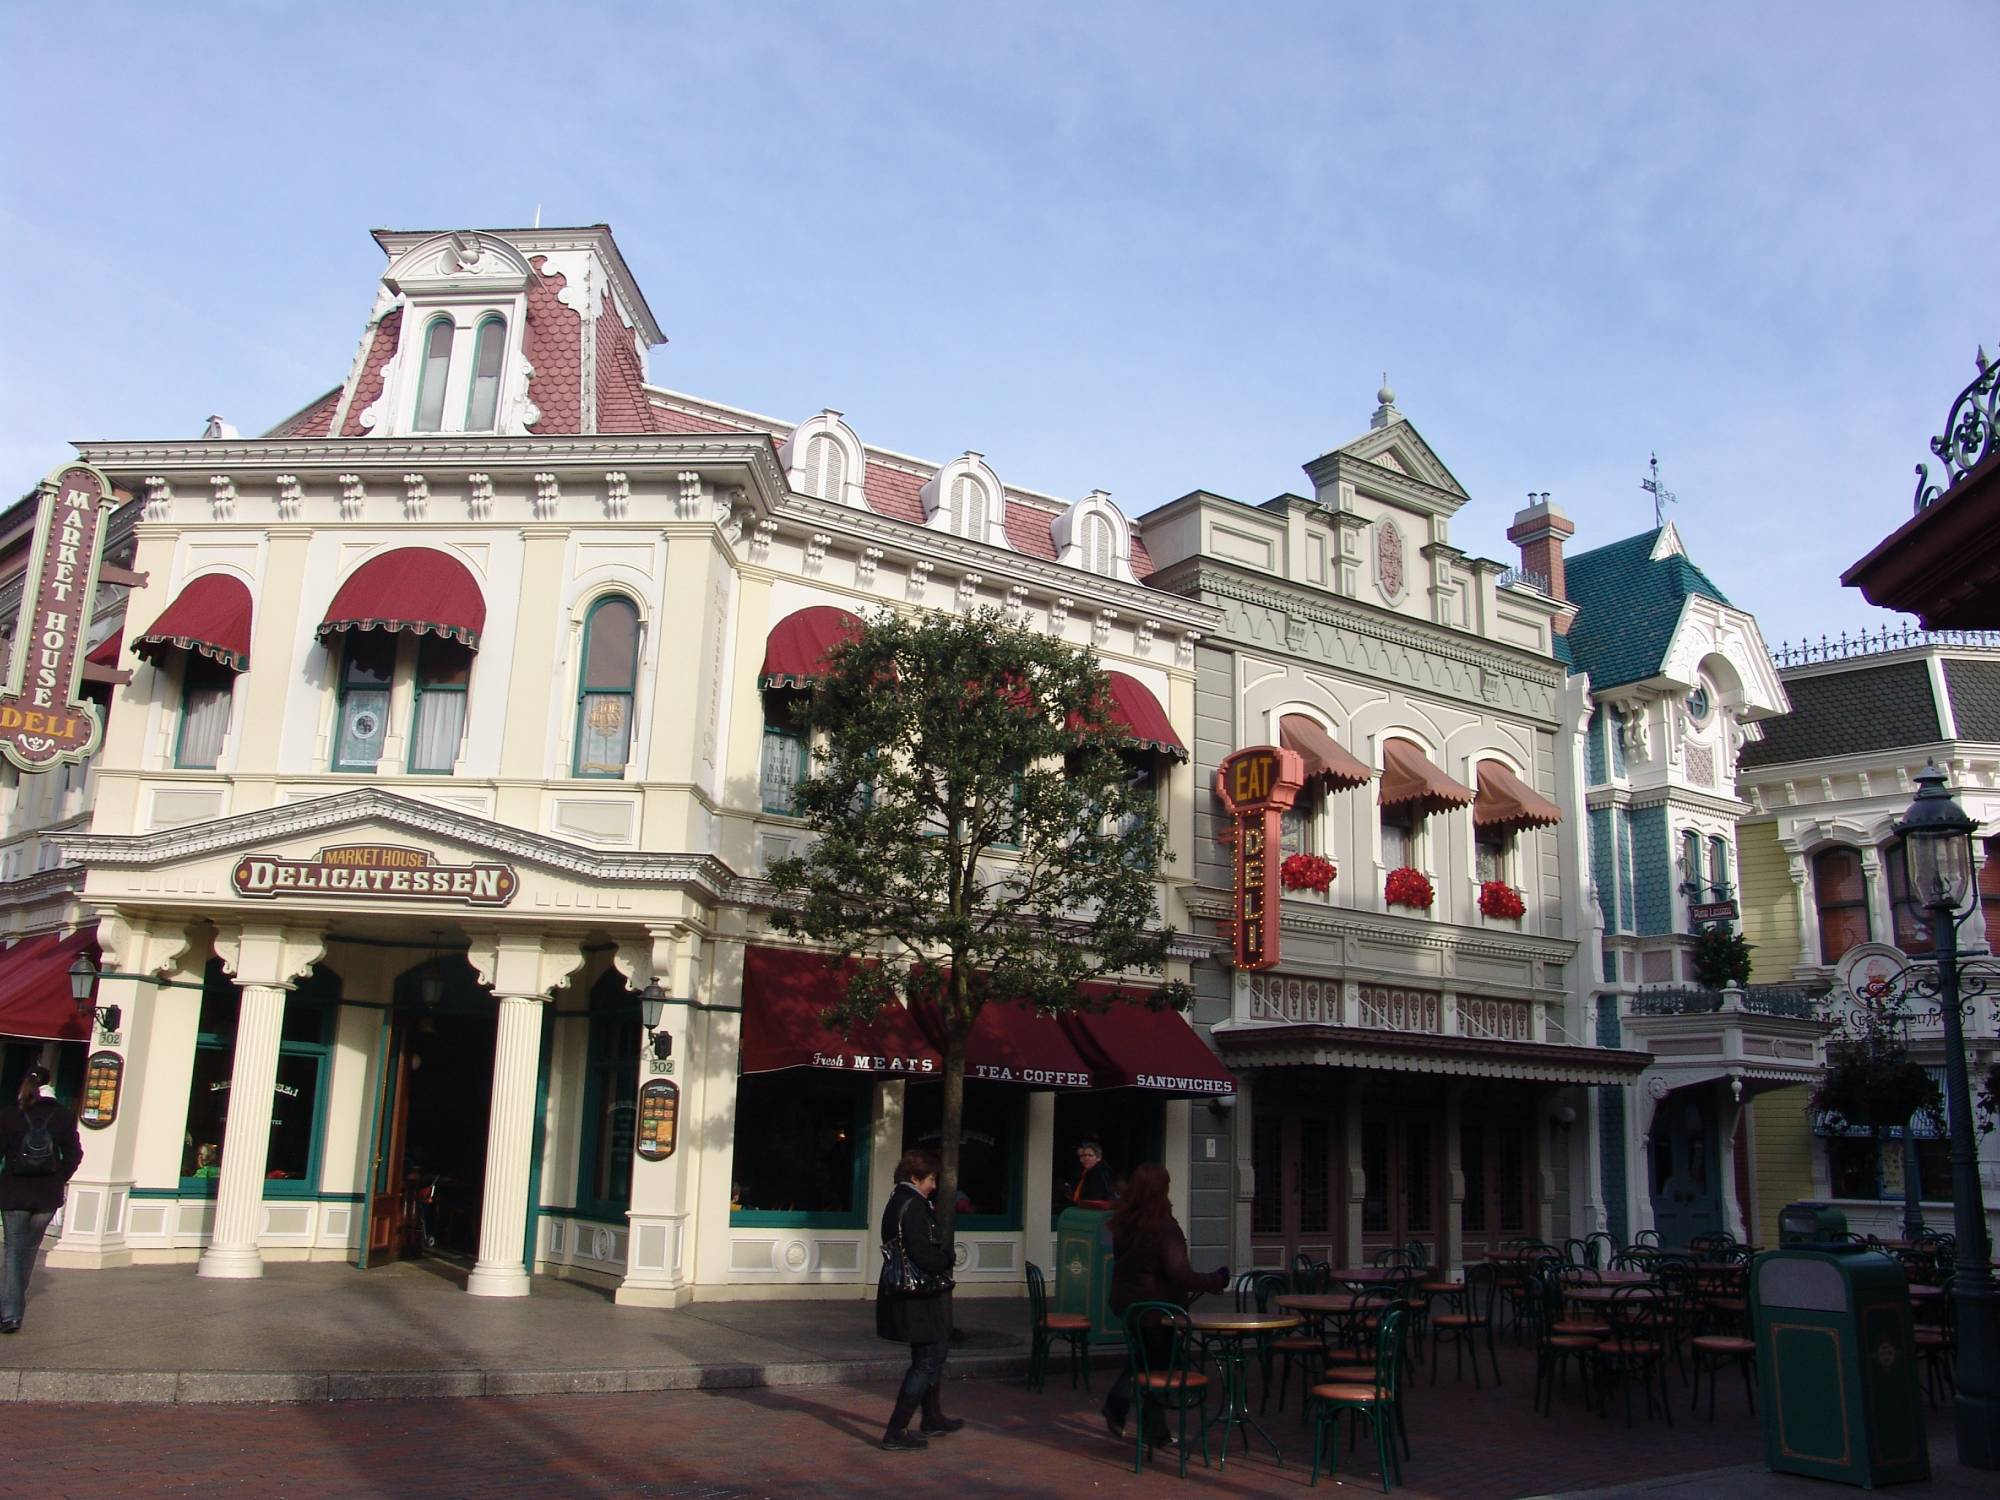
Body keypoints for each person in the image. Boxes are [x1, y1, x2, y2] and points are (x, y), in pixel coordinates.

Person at [1100, 1162, 1227, 1445]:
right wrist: (1216, 1279)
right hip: (1157, 1310)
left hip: (1128, 1306)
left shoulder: (1126, 1223)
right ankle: (1132, 1415)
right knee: (1158, 1367)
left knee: (1146, 1361)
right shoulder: (1165, 1228)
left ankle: (1138, 1420)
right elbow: (1180, 1274)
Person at [874, 1148, 964, 1451]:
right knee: (926, 1361)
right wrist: (945, 1257)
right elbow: (921, 1252)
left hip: (911, 1294)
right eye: (930, 1179)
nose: (934, 1185)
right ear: (914, 1178)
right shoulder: (912, 1205)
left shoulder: (898, 1202)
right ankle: (896, 1430)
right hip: (918, 1295)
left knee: (933, 1354)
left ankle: (932, 1416)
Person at [1, 1065, 84, 1334]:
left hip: (14, 1192)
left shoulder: (11, 1114)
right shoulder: (63, 1116)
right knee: (29, 1249)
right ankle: (13, 1304)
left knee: (13, 1249)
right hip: (47, 1193)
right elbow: (74, 1154)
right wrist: (59, 1177)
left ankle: (11, 1312)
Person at [1059, 1137, 1116, 1207]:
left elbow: (1093, 1199)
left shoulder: (1099, 1173)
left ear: (1098, 1158)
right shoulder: (1085, 1172)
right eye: (1084, 1155)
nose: (1086, 1158)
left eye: (1090, 1155)